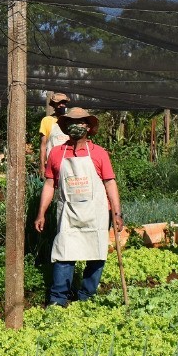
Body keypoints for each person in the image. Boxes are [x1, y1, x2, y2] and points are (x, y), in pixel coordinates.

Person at [34, 107, 124, 306]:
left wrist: (117, 213)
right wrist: (41, 212)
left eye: (81, 122)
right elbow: (50, 184)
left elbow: (110, 183)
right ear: (66, 127)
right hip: (69, 212)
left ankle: (86, 297)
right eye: (72, 123)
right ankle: (58, 299)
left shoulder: (99, 153)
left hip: (97, 213)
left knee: (96, 254)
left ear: (89, 127)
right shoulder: (57, 154)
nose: (77, 126)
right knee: (64, 253)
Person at [39, 92, 71, 171]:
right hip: (52, 162)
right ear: (53, 105)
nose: (61, 105)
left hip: (69, 161)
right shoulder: (46, 120)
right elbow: (43, 145)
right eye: (58, 103)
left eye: (63, 103)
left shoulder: (70, 119)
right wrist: (42, 166)